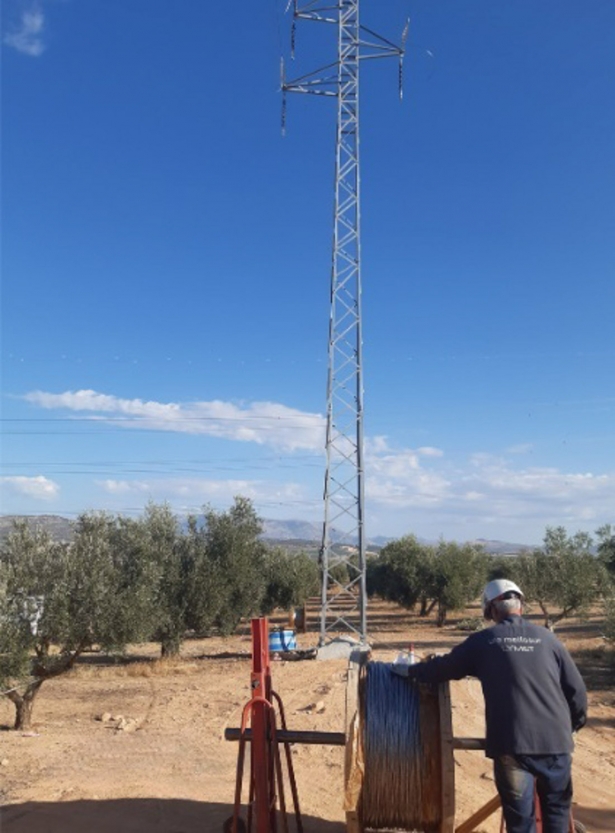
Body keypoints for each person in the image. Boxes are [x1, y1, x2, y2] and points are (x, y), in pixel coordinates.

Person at [393, 579, 587, 833]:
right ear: (520, 605)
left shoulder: (484, 641)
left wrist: (409, 670)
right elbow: (577, 692)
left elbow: (442, 668)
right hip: (556, 745)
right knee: (558, 816)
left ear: (491, 610)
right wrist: (572, 726)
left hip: (512, 746)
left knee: (520, 822)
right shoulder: (548, 640)